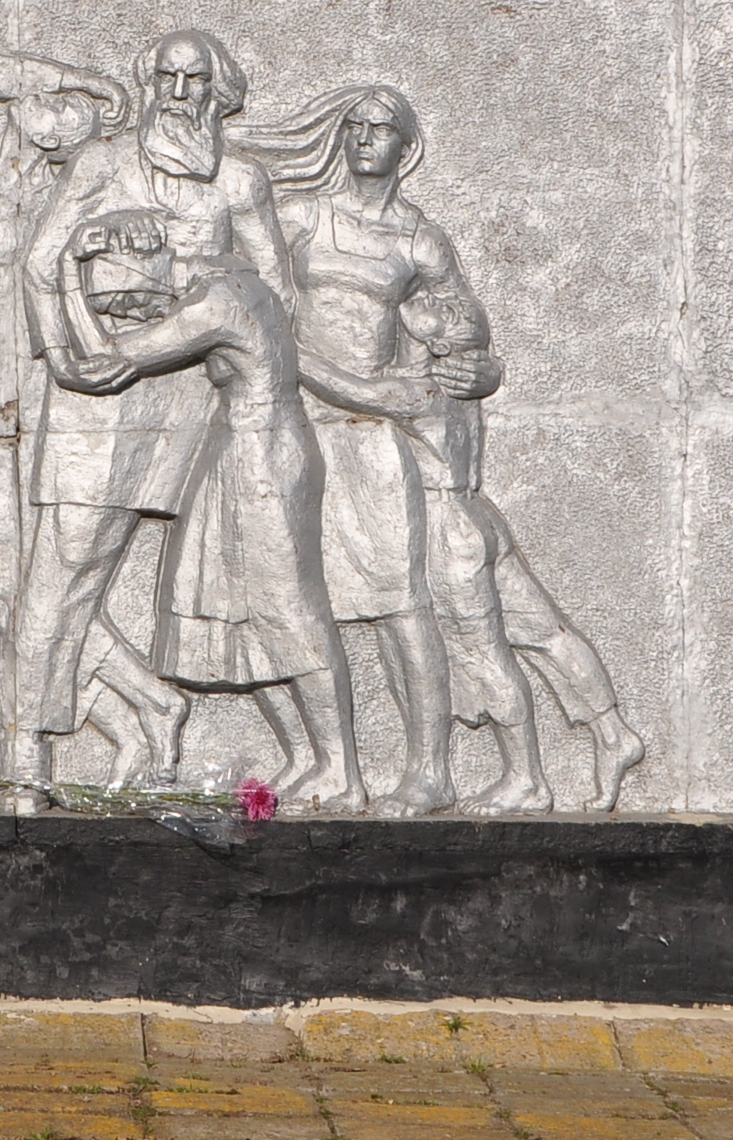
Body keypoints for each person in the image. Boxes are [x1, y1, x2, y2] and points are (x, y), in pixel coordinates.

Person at [252, 85, 645, 812]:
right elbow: (265, 324)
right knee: (503, 625)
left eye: (383, 128)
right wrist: (362, 389)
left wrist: (480, 369)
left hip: (395, 466)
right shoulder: (304, 217)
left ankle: (474, 767)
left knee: (453, 628)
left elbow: (470, 334)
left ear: (409, 147)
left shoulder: (420, 240)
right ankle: (600, 732)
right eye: (356, 126)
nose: (367, 138)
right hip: (320, 429)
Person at [4, 27, 289, 799]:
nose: (178, 91)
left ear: (218, 92)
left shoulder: (240, 183)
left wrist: (199, 275)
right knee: (60, 575)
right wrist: (71, 339)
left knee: (160, 577)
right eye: (165, 75)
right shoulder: (103, 160)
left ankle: (156, 710)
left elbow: (276, 290)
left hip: (192, 396)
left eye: (195, 79)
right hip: (97, 389)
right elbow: (40, 260)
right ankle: (26, 755)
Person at [53, 211, 363, 811]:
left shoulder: (220, 300)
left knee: (289, 611)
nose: (145, 301)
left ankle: (344, 770)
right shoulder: (242, 286)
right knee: (248, 615)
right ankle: (308, 758)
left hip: (262, 456)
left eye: (139, 290)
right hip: (243, 450)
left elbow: (101, 362)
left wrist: (68, 273)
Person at [0, 52, 128, 643]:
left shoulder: (61, 203)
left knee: (20, 588)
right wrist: (88, 77)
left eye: (70, 125)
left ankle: (135, 701)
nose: (54, 117)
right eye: (48, 105)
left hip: (25, 398)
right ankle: (141, 704)